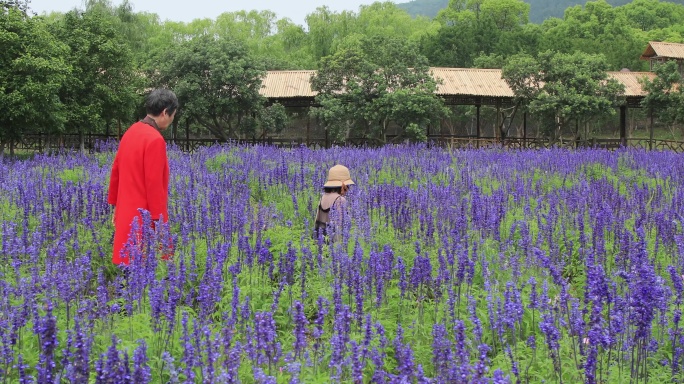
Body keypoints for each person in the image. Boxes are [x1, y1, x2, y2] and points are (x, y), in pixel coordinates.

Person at [108, 89, 178, 265]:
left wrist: (116, 207)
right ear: (165, 112)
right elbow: (154, 186)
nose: (171, 120)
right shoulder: (155, 139)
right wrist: (160, 225)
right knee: (150, 272)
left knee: (127, 270)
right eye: (173, 115)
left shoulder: (131, 132)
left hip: (126, 213)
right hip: (143, 218)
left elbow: (115, 170)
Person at [313, 164, 355, 241]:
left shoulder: (323, 196)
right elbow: (340, 227)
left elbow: (316, 223)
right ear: (343, 186)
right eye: (347, 185)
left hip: (321, 241)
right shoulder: (340, 200)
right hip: (333, 244)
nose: (348, 189)